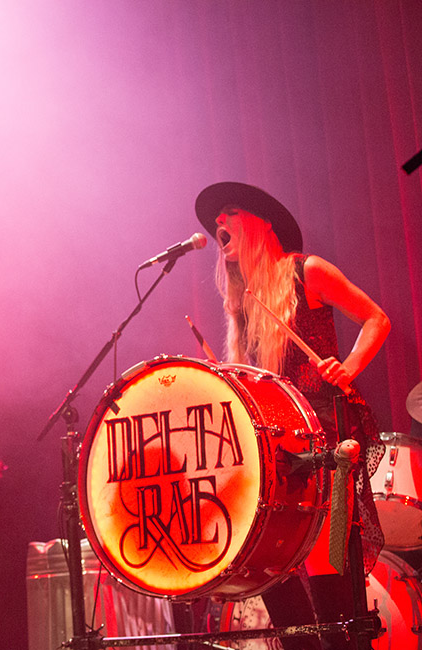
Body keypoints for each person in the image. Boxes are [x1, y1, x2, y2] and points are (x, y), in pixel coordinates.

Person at [195, 182, 391, 650]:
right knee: (266, 560)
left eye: (230, 214)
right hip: (276, 441)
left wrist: (348, 368)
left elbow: (376, 319)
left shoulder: (308, 271)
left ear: (262, 222)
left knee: (327, 564)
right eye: (216, 219)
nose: (219, 224)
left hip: (324, 436)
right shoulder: (241, 301)